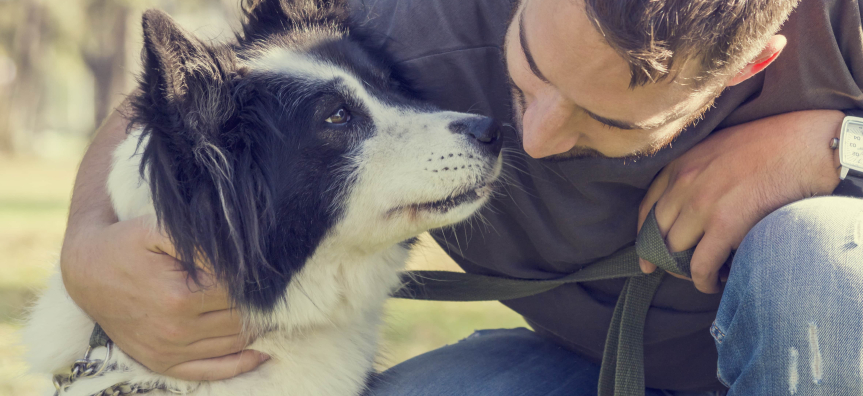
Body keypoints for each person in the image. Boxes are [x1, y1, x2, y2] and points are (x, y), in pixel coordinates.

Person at [59, 0, 863, 394]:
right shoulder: (415, 15)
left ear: (749, 64)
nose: (535, 137)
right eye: (528, 72)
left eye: (602, 120)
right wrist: (86, 246)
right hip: (580, 369)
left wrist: (830, 145)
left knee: (817, 258)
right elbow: (204, 86)